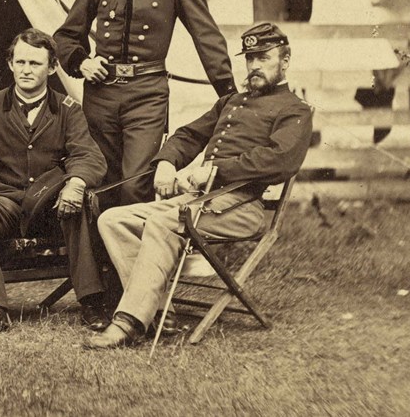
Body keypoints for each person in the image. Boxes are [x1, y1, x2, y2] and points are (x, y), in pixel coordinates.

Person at [84, 22, 313, 349]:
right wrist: (166, 162)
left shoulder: (295, 110)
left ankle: (130, 322)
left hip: (240, 206)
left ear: (285, 60)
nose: (254, 66)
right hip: (197, 201)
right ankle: (162, 312)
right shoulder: (231, 103)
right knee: (114, 219)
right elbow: (189, 135)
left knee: (164, 223)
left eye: (263, 57)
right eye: (250, 58)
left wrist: (215, 171)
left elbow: (280, 159)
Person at [53, 0, 235, 209]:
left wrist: (228, 93)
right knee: (100, 181)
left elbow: (207, 37)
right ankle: (101, 259)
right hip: (101, 94)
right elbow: (65, 37)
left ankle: (134, 258)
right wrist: (82, 63)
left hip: (147, 95)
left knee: (136, 183)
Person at [0, 28, 110, 335]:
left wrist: (75, 184)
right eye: (20, 62)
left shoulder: (68, 110)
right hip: (4, 205)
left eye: (34, 64)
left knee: (82, 201)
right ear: (10, 64)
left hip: (52, 207)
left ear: (51, 68)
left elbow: (88, 156)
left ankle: (91, 301)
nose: (25, 70)